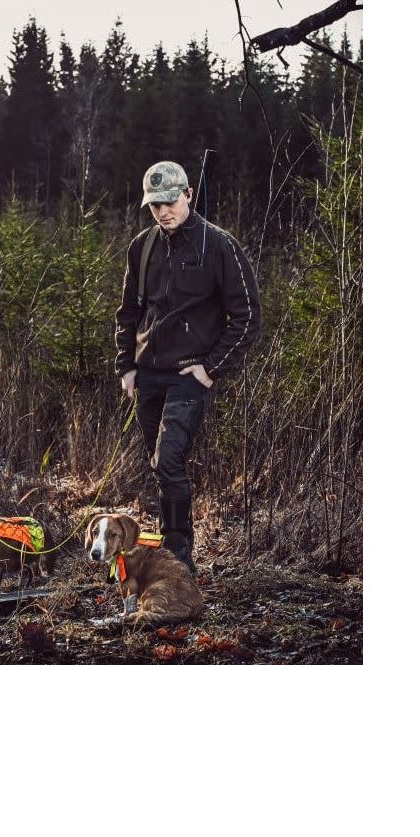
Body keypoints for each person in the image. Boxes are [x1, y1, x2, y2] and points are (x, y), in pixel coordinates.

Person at [114, 160, 261, 572]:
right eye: (155, 205)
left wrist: (210, 368)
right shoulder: (142, 246)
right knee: (159, 467)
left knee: (169, 461)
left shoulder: (220, 245)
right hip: (148, 375)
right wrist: (126, 366)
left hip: (189, 376)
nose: (163, 211)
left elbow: (248, 316)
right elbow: (128, 312)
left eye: (170, 202)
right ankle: (169, 549)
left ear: (188, 195)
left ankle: (178, 563)